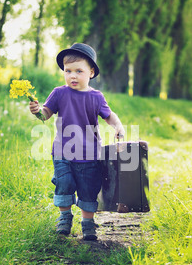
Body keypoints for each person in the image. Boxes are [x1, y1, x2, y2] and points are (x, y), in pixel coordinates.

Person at [29, 43, 125, 241]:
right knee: (64, 183)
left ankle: (88, 223)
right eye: (68, 71)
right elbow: (46, 114)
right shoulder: (59, 93)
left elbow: (109, 116)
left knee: (88, 188)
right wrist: (38, 112)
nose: (72, 76)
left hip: (89, 154)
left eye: (78, 71)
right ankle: (65, 217)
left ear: (91, 72)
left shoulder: (96, 97)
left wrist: (118, 126)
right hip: (62, 152)